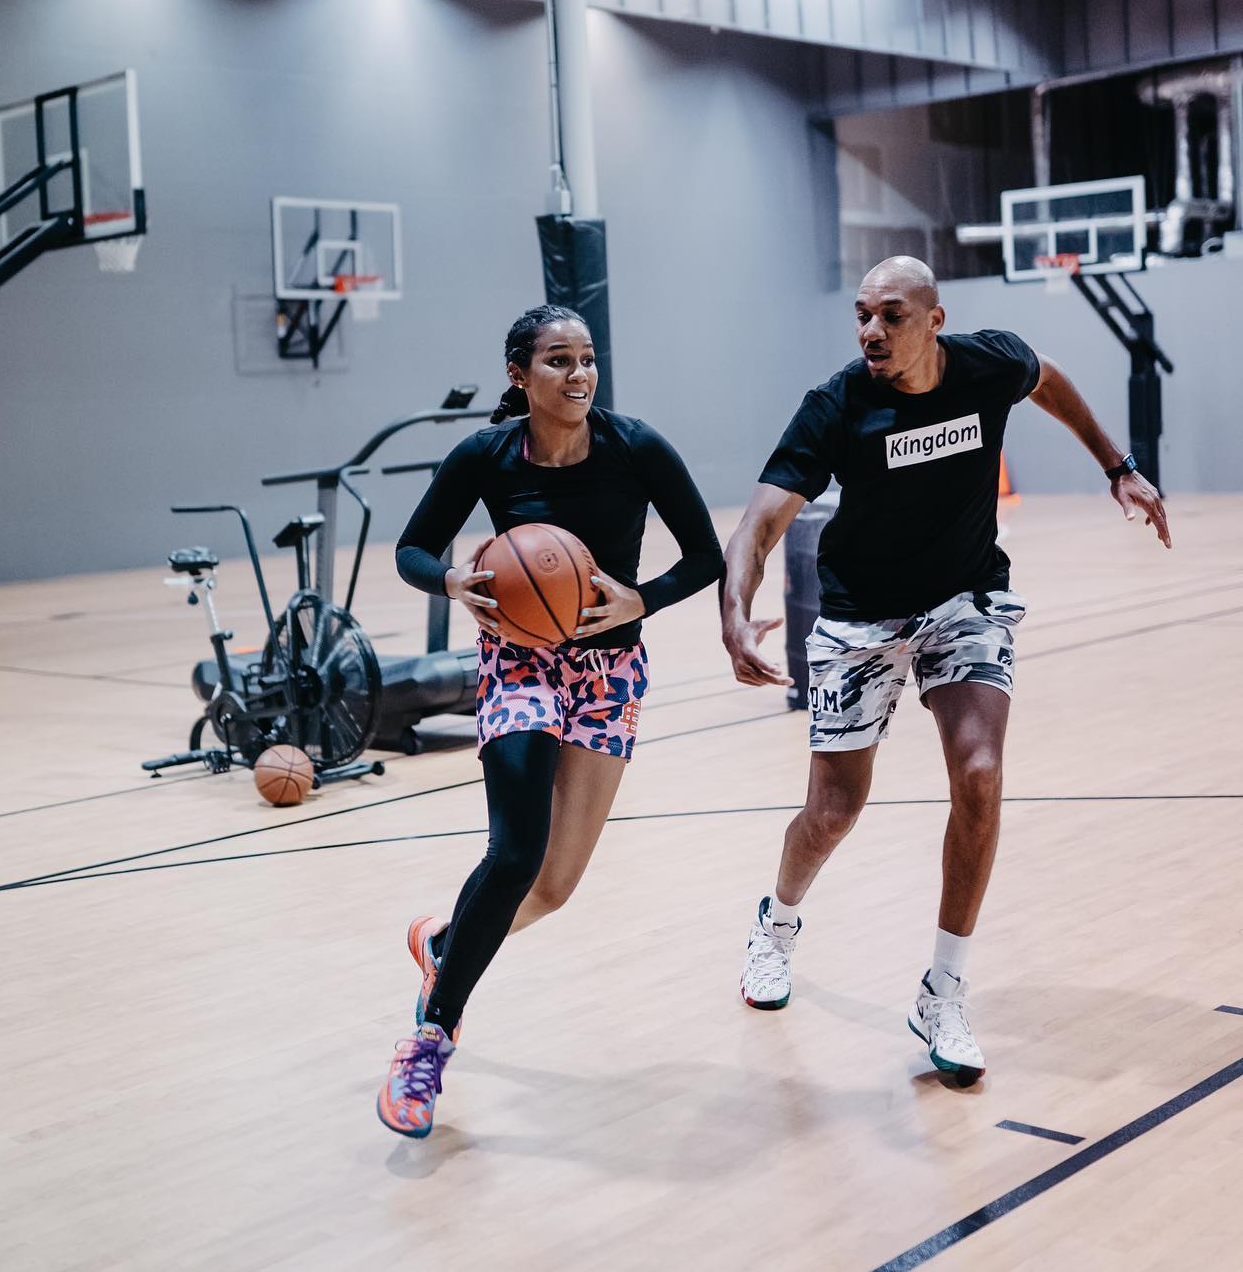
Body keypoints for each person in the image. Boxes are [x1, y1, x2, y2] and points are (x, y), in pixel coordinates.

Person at [720, 256, 1170, 1085]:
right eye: (861, 314)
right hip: (860, 614)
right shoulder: (838, 404)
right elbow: (757, 523)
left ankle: (945, 987)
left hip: (963, 599)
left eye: (890, 314)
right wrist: (735, 610)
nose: (871, 331)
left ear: (933, 318)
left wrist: (1118, 465)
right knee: (832, 812)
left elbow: (1049, 378)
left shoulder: (987, 361)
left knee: (982, 773)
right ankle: (776, 924)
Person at [376, 304, 723, 1137]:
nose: (579, 375)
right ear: (519, 375)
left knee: (555, 886)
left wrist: (645, 597)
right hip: (522, 663)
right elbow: (412, 549)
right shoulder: (485, 455)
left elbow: (706, 553)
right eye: (559, 361)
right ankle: (429, 1038)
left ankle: (447, 939)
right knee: (516, 848)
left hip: (610, 671)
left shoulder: (635, 446)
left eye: (588, 359)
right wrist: (452, 581)